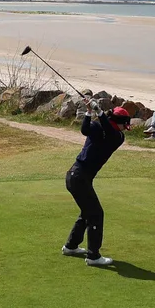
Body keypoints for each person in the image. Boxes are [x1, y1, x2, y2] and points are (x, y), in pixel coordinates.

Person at [61, 105, 130, 267]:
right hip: (79, 177)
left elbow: (109, 131)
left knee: (87, 212)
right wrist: (89, 112)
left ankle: (71, 246)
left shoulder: (117, 137)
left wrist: (98, 112)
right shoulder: (99, 127)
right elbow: (85, 130)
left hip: (77, 176)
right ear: (119, 122)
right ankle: (93, 256)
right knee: (96, 214)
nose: (124, 128)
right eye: (124, 124)